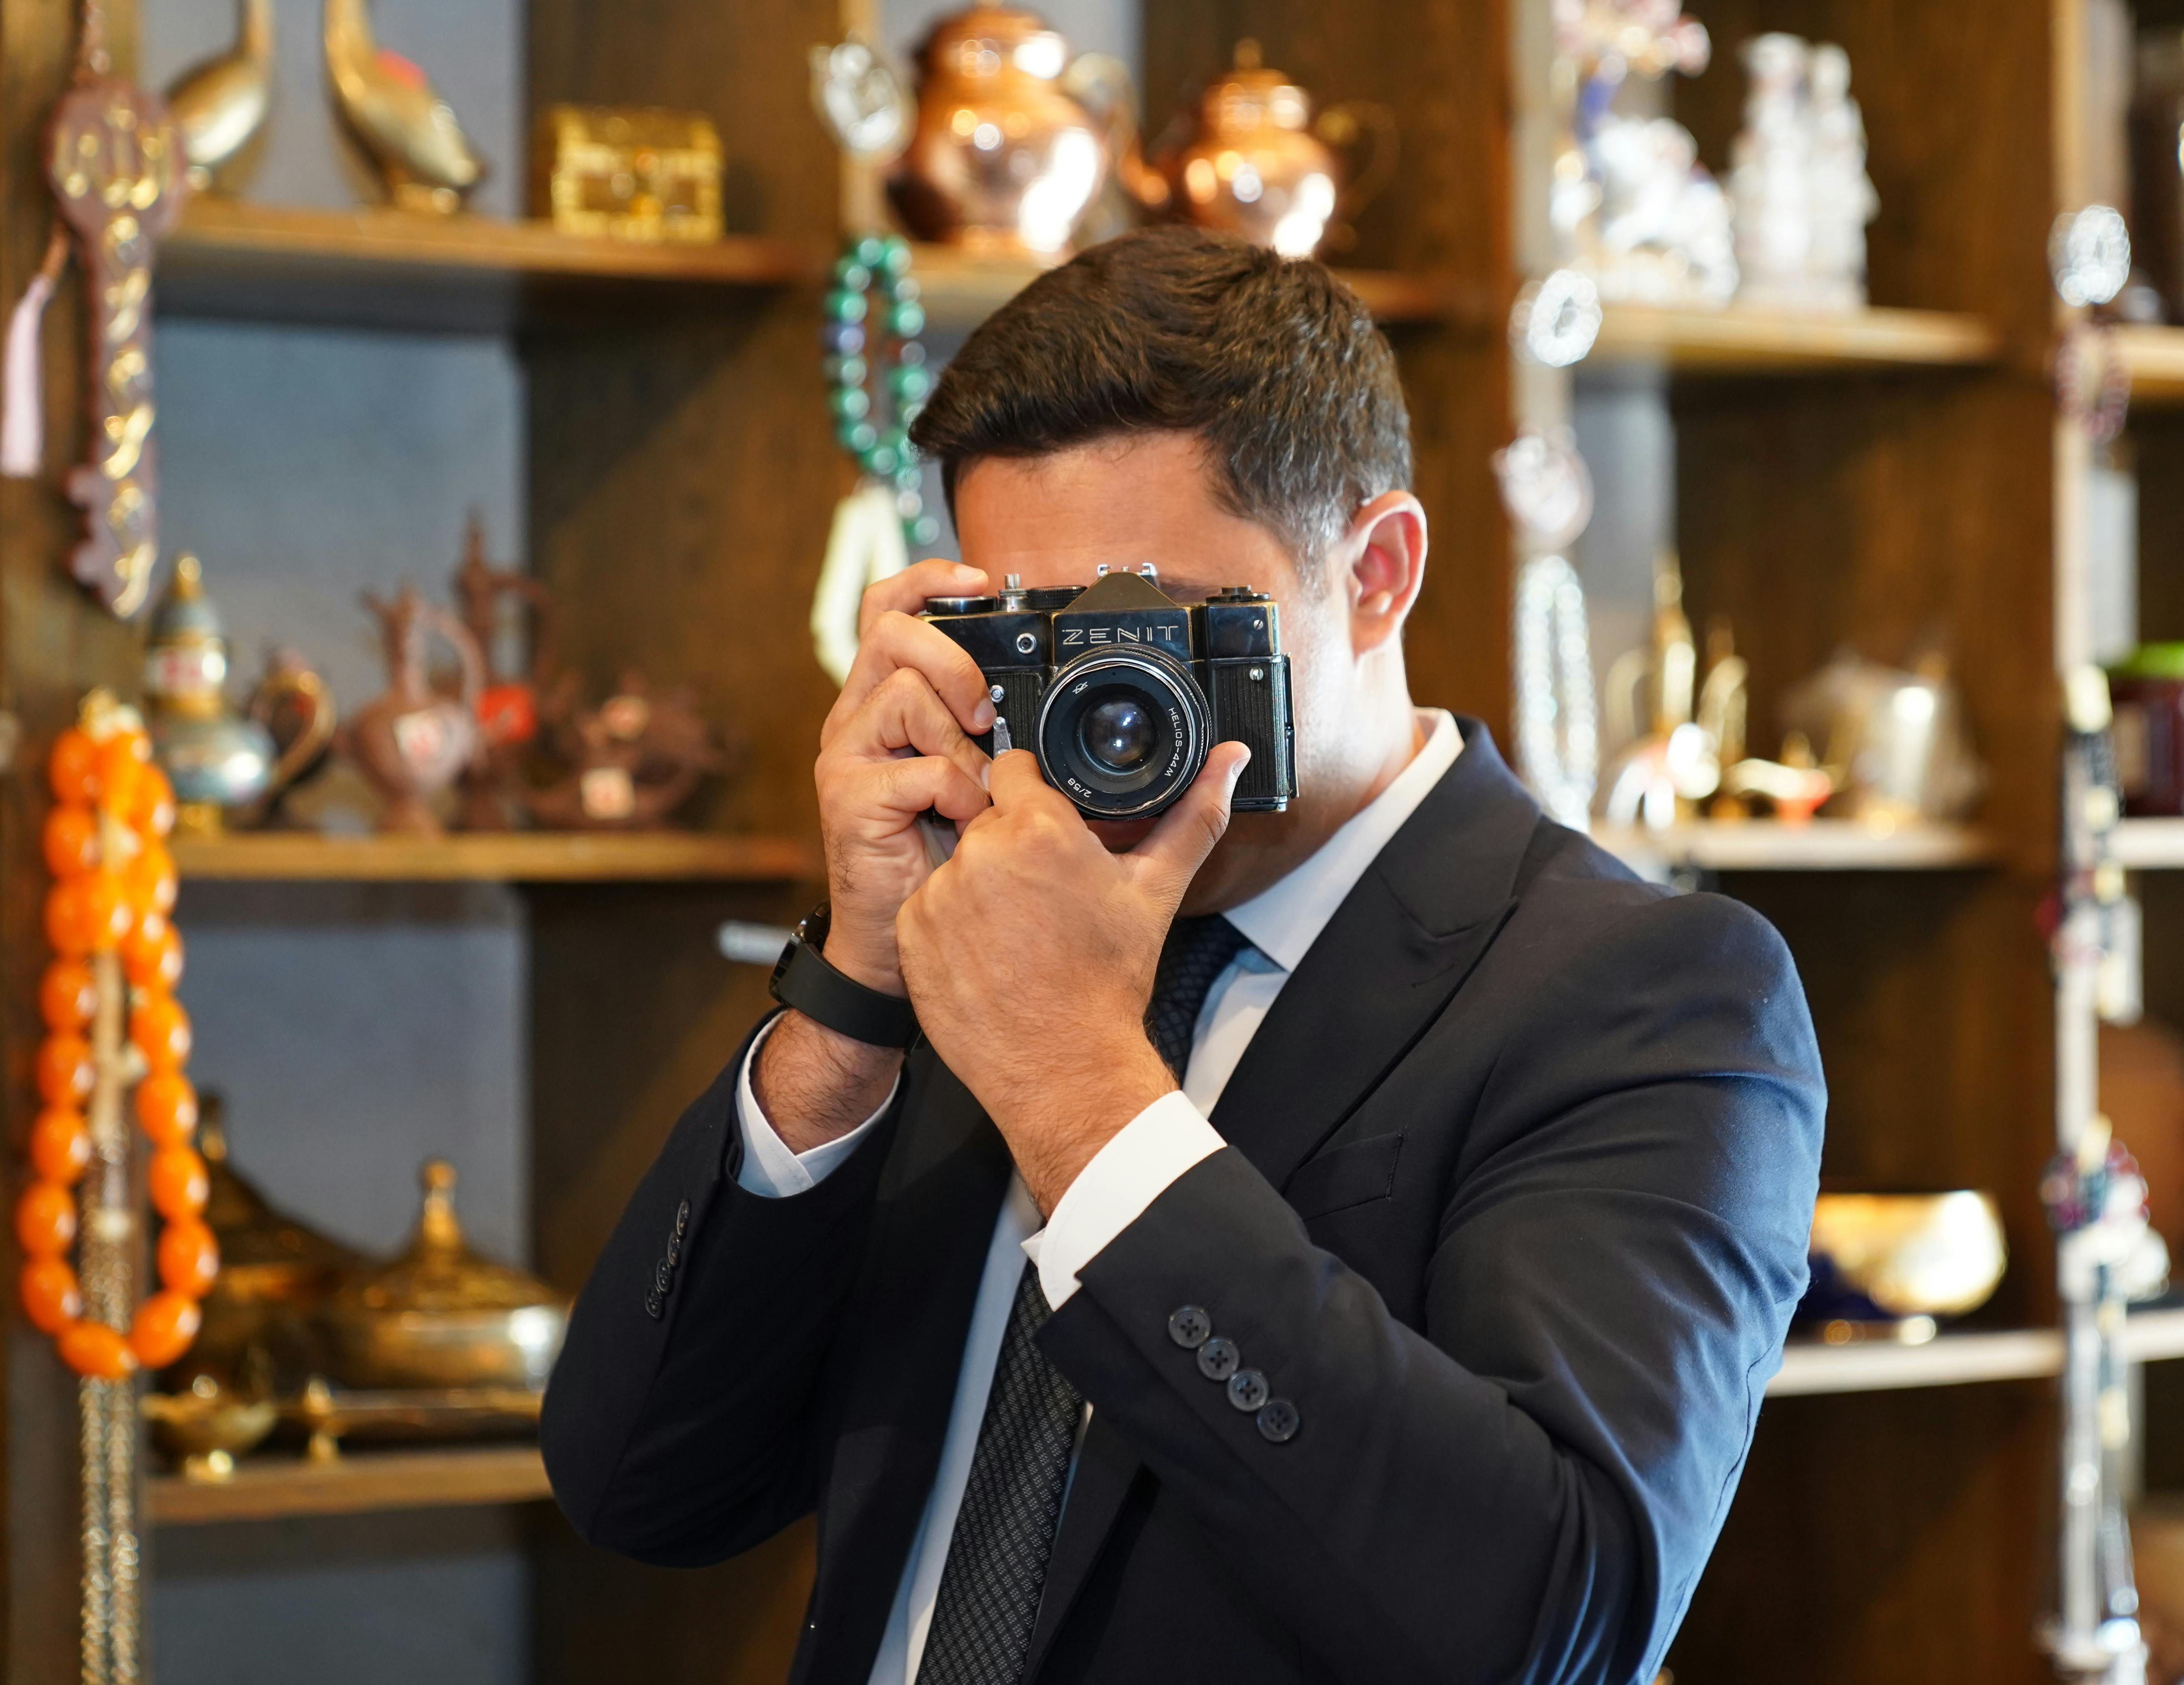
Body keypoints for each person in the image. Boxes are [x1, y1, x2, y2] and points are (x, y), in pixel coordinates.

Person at [542, 226, 1824, 1685]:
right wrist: (855, 998)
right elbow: (640, 1489)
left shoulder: (1646, 994)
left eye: (1160, 625)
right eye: (1044, 633)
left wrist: (1083, 1092)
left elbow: (1548, 1620)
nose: (1109, 698)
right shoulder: (972, 932)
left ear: (1380, 570)